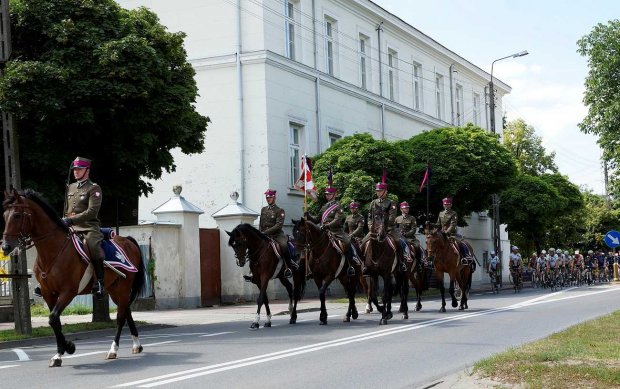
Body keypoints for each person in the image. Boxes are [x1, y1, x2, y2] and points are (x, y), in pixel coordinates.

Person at [64, 157, 106, 297]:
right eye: (75, 169)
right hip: (71, 227)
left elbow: (92, 211)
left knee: (93, 246)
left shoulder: (94, 187)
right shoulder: (70, 187)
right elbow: (67, 210)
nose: (76, 172)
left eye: (79, 169)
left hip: (88, 227)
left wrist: (72, 220)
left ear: (87, 170)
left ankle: (100, 282)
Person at [244, 189, 298, 282]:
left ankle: (288, 268)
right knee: (253, 248)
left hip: (277, 235)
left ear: (274, 198)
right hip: (264, 235)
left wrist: (265, 232)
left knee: (284, 246)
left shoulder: (280, 210)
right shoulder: (263, 209)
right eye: (267, 197)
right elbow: (261, 223)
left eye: (270, 197)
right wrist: (259, 234)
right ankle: (252, 272)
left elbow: (278, 225)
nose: (268, 199)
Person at [305, 183, 357, 277]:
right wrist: (308, 215)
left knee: (347, 242)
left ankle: (350, 265)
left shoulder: (338, 206)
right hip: (323, 232)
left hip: (336, 231)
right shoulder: (324, 207)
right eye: (326, 194)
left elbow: (337, 220)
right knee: (310, 245)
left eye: (329, 194)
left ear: (334, 195)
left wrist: (327, 225)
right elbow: (317, 219)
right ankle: (311, 269)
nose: (327, 196)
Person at [362, 178, 407, 274]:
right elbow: (370, 217)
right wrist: (370, 227)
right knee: (363, 242)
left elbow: (392, 218)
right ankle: (364, 265)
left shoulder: (391, 203)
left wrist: (383, 226)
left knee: (399, 242)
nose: (378, 193)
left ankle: (402, 263)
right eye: (377, 191)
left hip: (389, 229)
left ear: (385, 192)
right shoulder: (373, 203)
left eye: (380, 191)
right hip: (375, 229)